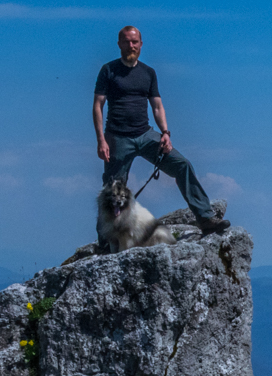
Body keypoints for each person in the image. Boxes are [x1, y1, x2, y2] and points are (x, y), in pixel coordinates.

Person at [93, 26, 230, 235]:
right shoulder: (108, 70)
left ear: (140, 44)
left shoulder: (148, 73)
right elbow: (97, 105)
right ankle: (106, 241)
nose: (131, 46)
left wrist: (165, 133)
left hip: (145, 134)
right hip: (117, 137)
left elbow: (157, 106)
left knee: (182, 165)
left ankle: (205, 218)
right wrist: (101, 140)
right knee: (113, 190)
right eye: (127, 42)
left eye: (135, 42)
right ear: (119, 44)